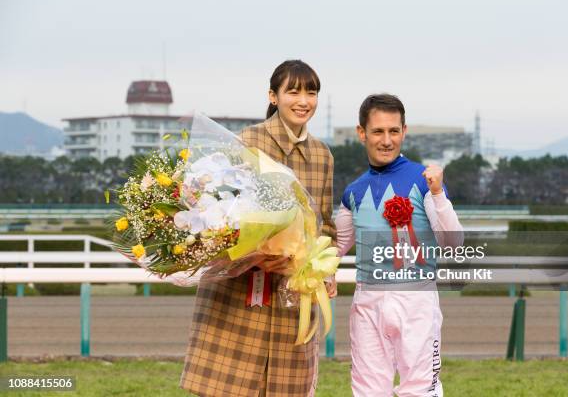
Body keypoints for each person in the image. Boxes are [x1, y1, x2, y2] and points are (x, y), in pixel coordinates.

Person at [180, 60, 337, 397]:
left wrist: (319, 267)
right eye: (293, 91)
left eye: (311, 92)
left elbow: (325, 226)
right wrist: (254, 253)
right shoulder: (245, 143)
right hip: (237, 296)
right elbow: (214, 216)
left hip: (290, 300)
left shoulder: (323, 156)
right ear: (273, 96)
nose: (303, 100)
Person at [335, 94, 463, 397]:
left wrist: (438, 195)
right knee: (367, 391)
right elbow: (336, 246)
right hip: (367, 302)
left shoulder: (425, 182)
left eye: (394, 131)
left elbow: (453, 243)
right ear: (361, 133)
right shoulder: (352, 192)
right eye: (378, 131)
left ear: (404, 131)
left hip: (417, 300)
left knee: (420, 390)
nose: (386, 140)